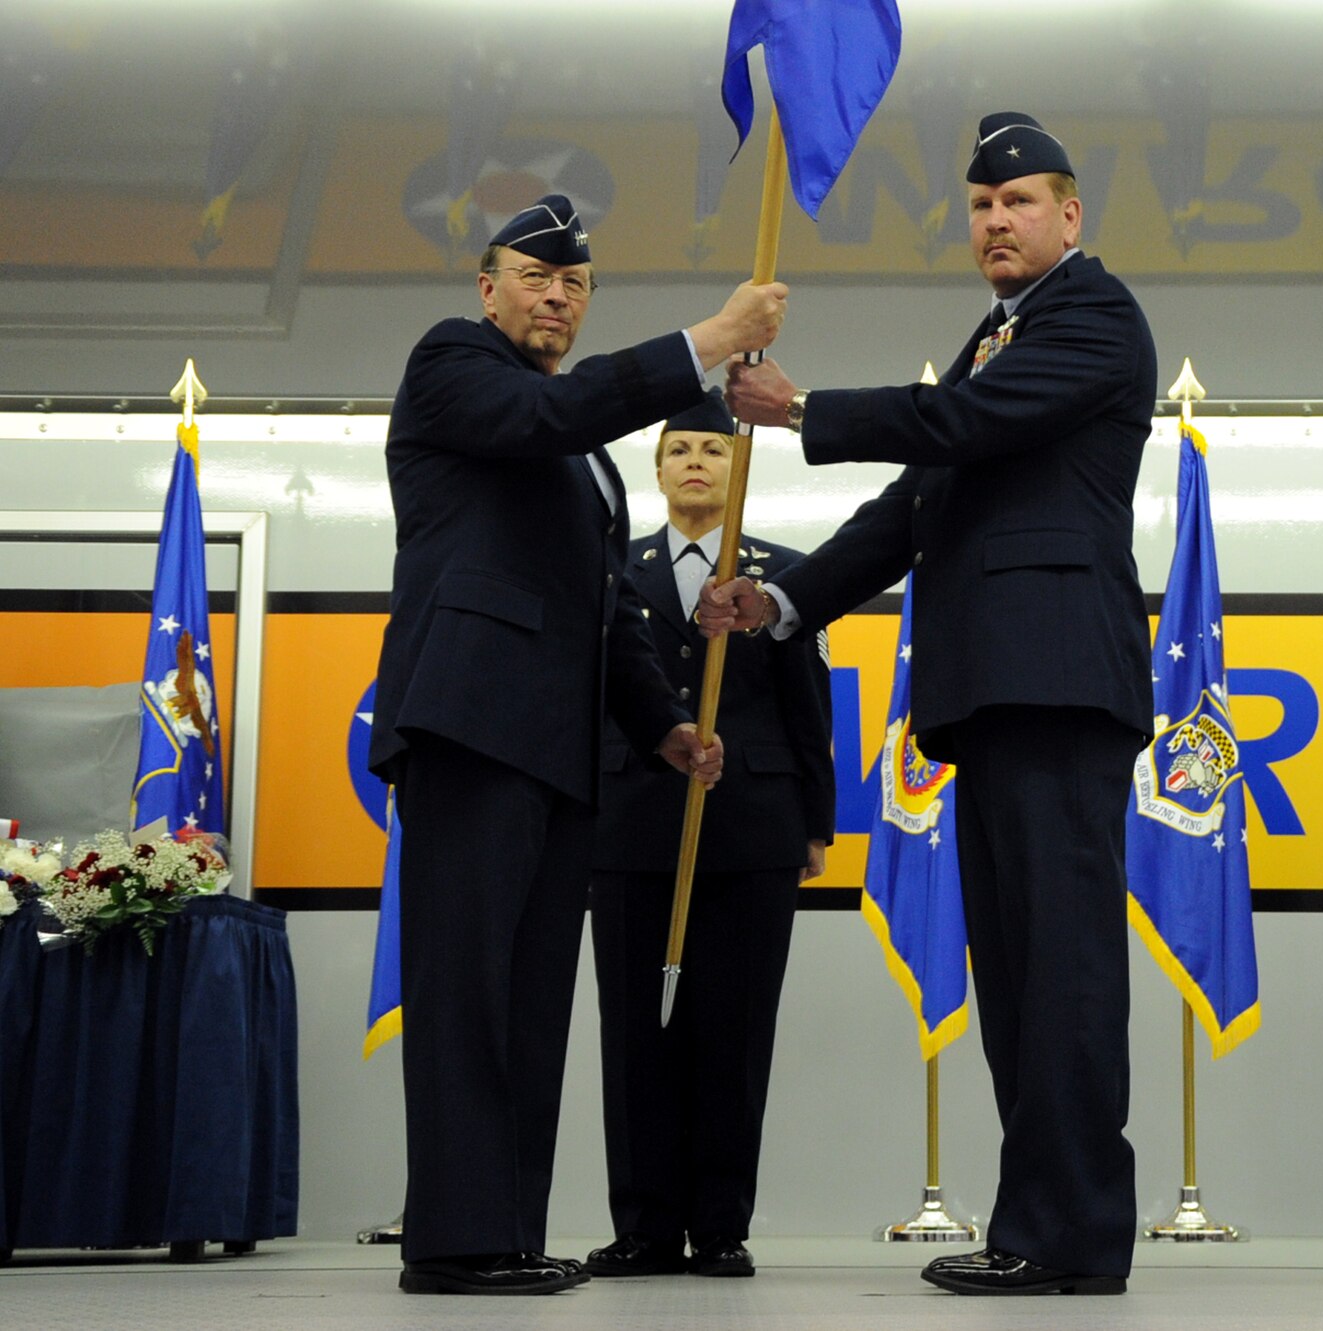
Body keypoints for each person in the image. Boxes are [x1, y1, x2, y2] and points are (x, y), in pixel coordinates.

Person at [701, 112, 1154, 1297]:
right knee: (1014, 974)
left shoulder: (1093, 316)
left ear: (1069, 215)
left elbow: (964, 426)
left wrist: (804, 411)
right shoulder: (995, 334)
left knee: (1059, 969)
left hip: (1053, 678)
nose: (995, 223)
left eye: (1018, 204)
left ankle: (1076, 1231)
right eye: (979, 208)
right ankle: (1034, 1221)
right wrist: (785, 600)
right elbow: (917, 502)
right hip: (993, 688)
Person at [369, 193, 786, 1296]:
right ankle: (452, 1238)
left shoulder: (586, 460)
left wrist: (663, 729)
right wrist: (706, 340)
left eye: (577, 284)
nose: (558, 296)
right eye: (537, 276)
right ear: (487, 286)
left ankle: (502, 1226)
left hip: (556, 750)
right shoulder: (453, 365)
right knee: (467, 989)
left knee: (529, 997)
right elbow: (543, 419)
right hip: (469, 724)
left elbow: (606, 609)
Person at [583, 390, 834, 1282]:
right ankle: (645, 1225)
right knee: (634, 1036)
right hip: (630, 825)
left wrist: (815, 823)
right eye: (680, 449)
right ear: (655, 470)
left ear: (738, 470)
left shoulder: (783, 575)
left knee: (734, 1032)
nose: (696, 461)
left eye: (714, 450)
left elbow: (812, 707)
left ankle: (721, 1224)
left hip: (754, 831)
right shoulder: (611, 569)